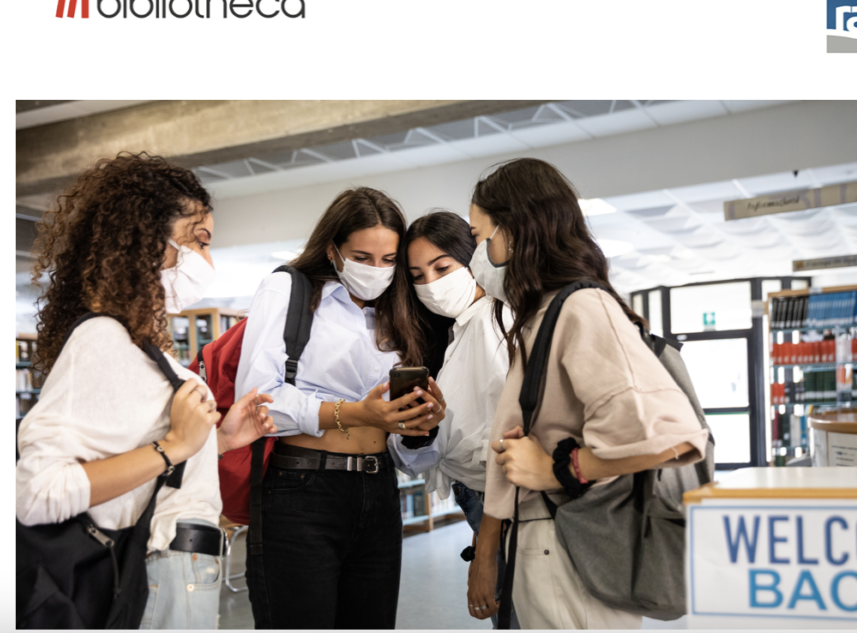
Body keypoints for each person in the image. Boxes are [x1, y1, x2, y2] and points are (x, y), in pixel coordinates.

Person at [16, 152, 278, 629]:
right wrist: (175, 445)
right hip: (161, 570)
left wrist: (214, 443)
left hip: (181, 567)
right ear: (144, 236)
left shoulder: (135, 346)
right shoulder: (103, 339)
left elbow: (138, 461)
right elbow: (37, 492)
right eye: (198, 240)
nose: (207, 259)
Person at [473, 158, 710, 629]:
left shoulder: (582, 308)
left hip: (570, 539)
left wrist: (559, 468)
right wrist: (487, 546)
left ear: (516, 232)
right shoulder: (540, 317)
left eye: (485, 238)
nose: (481, 254)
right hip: (543, 536)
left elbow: (675, 439)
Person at [235, 186, 447, 630]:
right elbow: (257, 400)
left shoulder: (398, 312)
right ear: (333, 249)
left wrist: (418, 426)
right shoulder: (290, 290)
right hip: (303, 488)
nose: (377, 271)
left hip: (379, 489)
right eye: (362, 257)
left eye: (389, 260)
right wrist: (356, 413)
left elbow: (411, 456)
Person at [387, 211, 517, 628]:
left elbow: (510, 442)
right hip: (480, 502)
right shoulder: (457, 331)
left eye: (442, 267)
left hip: (502, 505)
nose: (431, 285)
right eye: (418, 275)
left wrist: (485, 552)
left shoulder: (496, 323)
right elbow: (432, 453)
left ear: (473, 256)